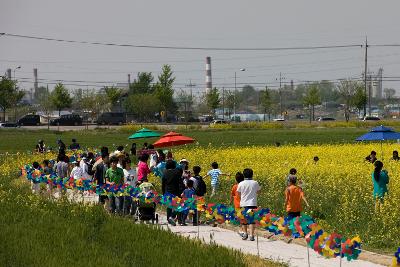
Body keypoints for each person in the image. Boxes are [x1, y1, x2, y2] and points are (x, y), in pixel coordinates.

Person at [236, 168, 260, 241]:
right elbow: (259, 192)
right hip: (252, 204)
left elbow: (238, 194)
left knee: (244, 220)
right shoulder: (255, 183)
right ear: (252, 174)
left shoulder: (241, 183)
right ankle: (252, 235)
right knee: (251, 220)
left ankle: (245, 234)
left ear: (244, 175)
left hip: (243, 204)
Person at [162, 160, 183, 226]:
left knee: (169, 206)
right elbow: (180, 182)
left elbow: (163, 184)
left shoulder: (165, 172)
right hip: (176, 191)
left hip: (167, 191)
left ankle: (169, 219)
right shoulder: (177, 172)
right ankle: (174, 217)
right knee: (178, 206)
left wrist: (163, 192)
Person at [231, 172, 245, 237]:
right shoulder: (244, 186)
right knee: (243, 217)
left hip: (237, 205)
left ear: (236, 179)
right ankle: (243, 230)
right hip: (244, 204)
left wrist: (230, 201)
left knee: (240, 217)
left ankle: (242, 230)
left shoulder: (235, 186)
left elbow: (232, 195)